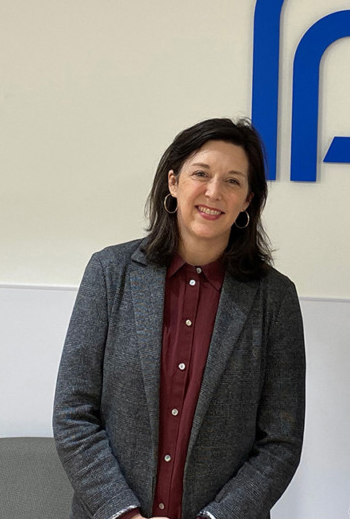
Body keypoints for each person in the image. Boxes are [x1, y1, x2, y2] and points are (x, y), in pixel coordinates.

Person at [54, 118, 305, 519]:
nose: (213, 192)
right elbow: (73, 414)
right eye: (201, 174)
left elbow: (280, 443)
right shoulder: (109, 273)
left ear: (247, 201)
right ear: (173, 182)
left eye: (233, 181)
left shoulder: (274, 299)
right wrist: (123, 513)